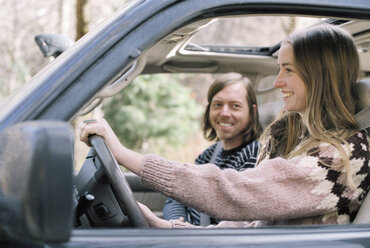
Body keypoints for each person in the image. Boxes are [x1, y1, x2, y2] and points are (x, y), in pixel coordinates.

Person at [80, 23, 370, 228]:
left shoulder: (344, 158)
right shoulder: (290, 138)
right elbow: (254, 224)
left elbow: (238, 191)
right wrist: (166, 228)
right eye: (279, 69)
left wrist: (125, 155)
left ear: (319, 75)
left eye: (289, 70)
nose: (278, 82)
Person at [163, 75, 263, 226]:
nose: (224, 112)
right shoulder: (209, 154)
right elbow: (176, 196)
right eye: (217, 105)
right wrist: (177, 221)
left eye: (235, 105)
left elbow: (237, 213)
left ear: (252, 112)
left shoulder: (255, 154)